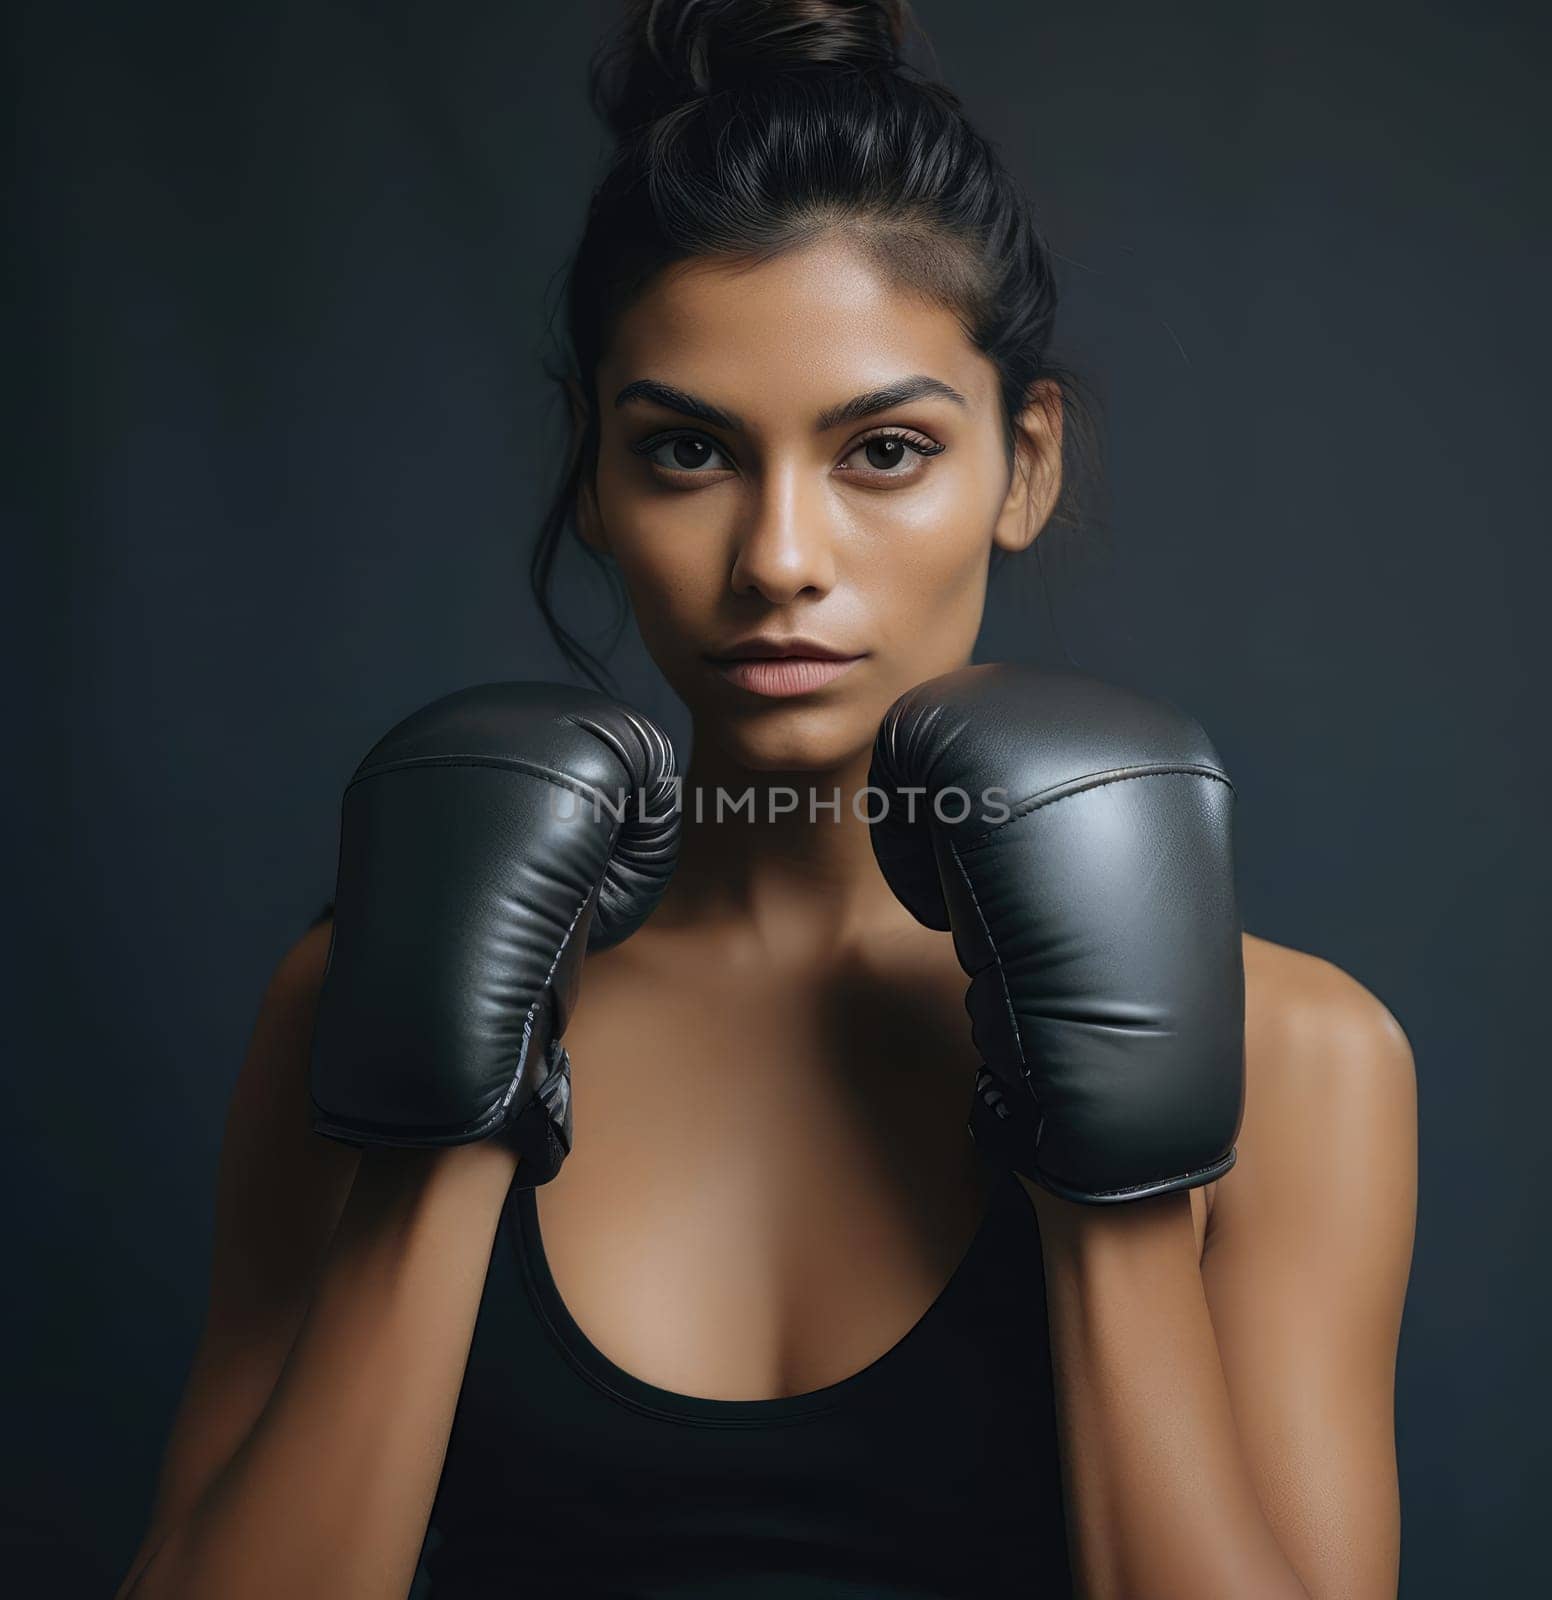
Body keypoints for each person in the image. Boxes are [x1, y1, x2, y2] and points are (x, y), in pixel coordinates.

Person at [117, 3, 1417, 1596]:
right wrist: (446, 1136)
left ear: (1023, 464)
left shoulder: (1298, 1058)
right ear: (591, 478)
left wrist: (1111, 1190)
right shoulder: (355, 994)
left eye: (882, 450)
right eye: (686, 453)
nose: (779, 558)